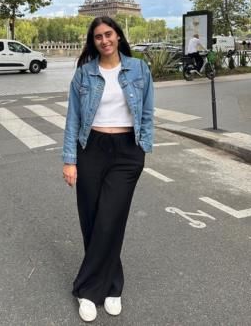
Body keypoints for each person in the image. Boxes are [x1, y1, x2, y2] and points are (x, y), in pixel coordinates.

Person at [62, 16, 154, 322]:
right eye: (98, 36)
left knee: (110, 219)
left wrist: (142, 148)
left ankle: (86, 290)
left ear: (118, 35)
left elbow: (148, 111)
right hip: (91, 149)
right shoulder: (84, 74)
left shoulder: (139, 68)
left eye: (109, 34)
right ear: (93, 41)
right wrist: (69, 159)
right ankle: (113, 286)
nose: (104, 40)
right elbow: (73, 118)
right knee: (92, 219)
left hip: (127, 151)